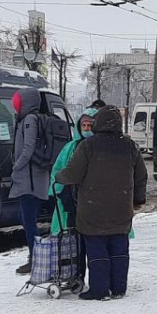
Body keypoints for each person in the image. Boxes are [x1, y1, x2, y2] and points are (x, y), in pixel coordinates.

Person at [56, 105, 147, 300]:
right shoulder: (129, 146)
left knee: (97, 248)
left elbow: (73, 173)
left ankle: (100, 289)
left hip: (92, 207)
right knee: (119, 248)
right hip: (122, 206)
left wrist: (59, 176)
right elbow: (141, 176)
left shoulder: (88, 146)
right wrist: (138, 199)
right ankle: (119, 288)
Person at [49, 108, 98, 280]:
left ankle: (93, 277)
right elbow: (58, 169)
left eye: (90, 125)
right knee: (75, 242)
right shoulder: (70, 147)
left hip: (93, 203)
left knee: (92, 243)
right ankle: (76, 275)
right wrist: (55, 191)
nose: (86, 128)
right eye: (83, 125)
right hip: (72, 202)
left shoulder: (100, 146)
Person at [10, 88, 51, 275]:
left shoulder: (29, 120)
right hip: (29, 178)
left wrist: (16, 166)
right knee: (25, 218)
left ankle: (36, 257)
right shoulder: (26, 119)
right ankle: (36, 254)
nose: (15, 105)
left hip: (30, 180)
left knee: (28, 219)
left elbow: (28, 148)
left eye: (18, 102)